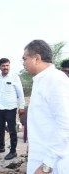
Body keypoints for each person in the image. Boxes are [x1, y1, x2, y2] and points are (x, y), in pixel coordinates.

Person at [22, 40, 69, 174]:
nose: (23, 63)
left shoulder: (56, 80)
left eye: (25, 59)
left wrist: (46, 166)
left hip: (52, 164)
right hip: (41, 157)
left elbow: (65, 125)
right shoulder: (41, 79)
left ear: (37, 58)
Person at [0, 58, 25, 160]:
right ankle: (1, 147)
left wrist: (21, 107)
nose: (5, 67)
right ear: (0, 67)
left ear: (9, 66)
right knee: (0, 128)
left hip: (10, 108)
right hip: (0, 108)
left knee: (12, 130)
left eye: (7, 65)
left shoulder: (15, 77)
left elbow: (20, 93)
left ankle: (13, 151)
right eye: (3, 66)